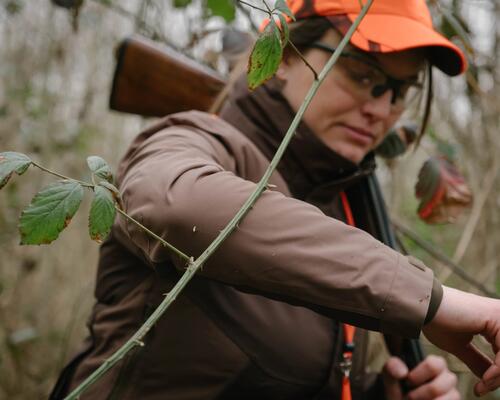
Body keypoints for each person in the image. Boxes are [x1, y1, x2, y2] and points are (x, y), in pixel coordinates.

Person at [50, 0, 500, 399]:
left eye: (401, 93)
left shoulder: (343, 203)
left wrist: (377, 393)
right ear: (284, 56)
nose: (381, 109)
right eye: (363, 75)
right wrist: (429, 301)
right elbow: (177, 205)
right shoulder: (198, 140)